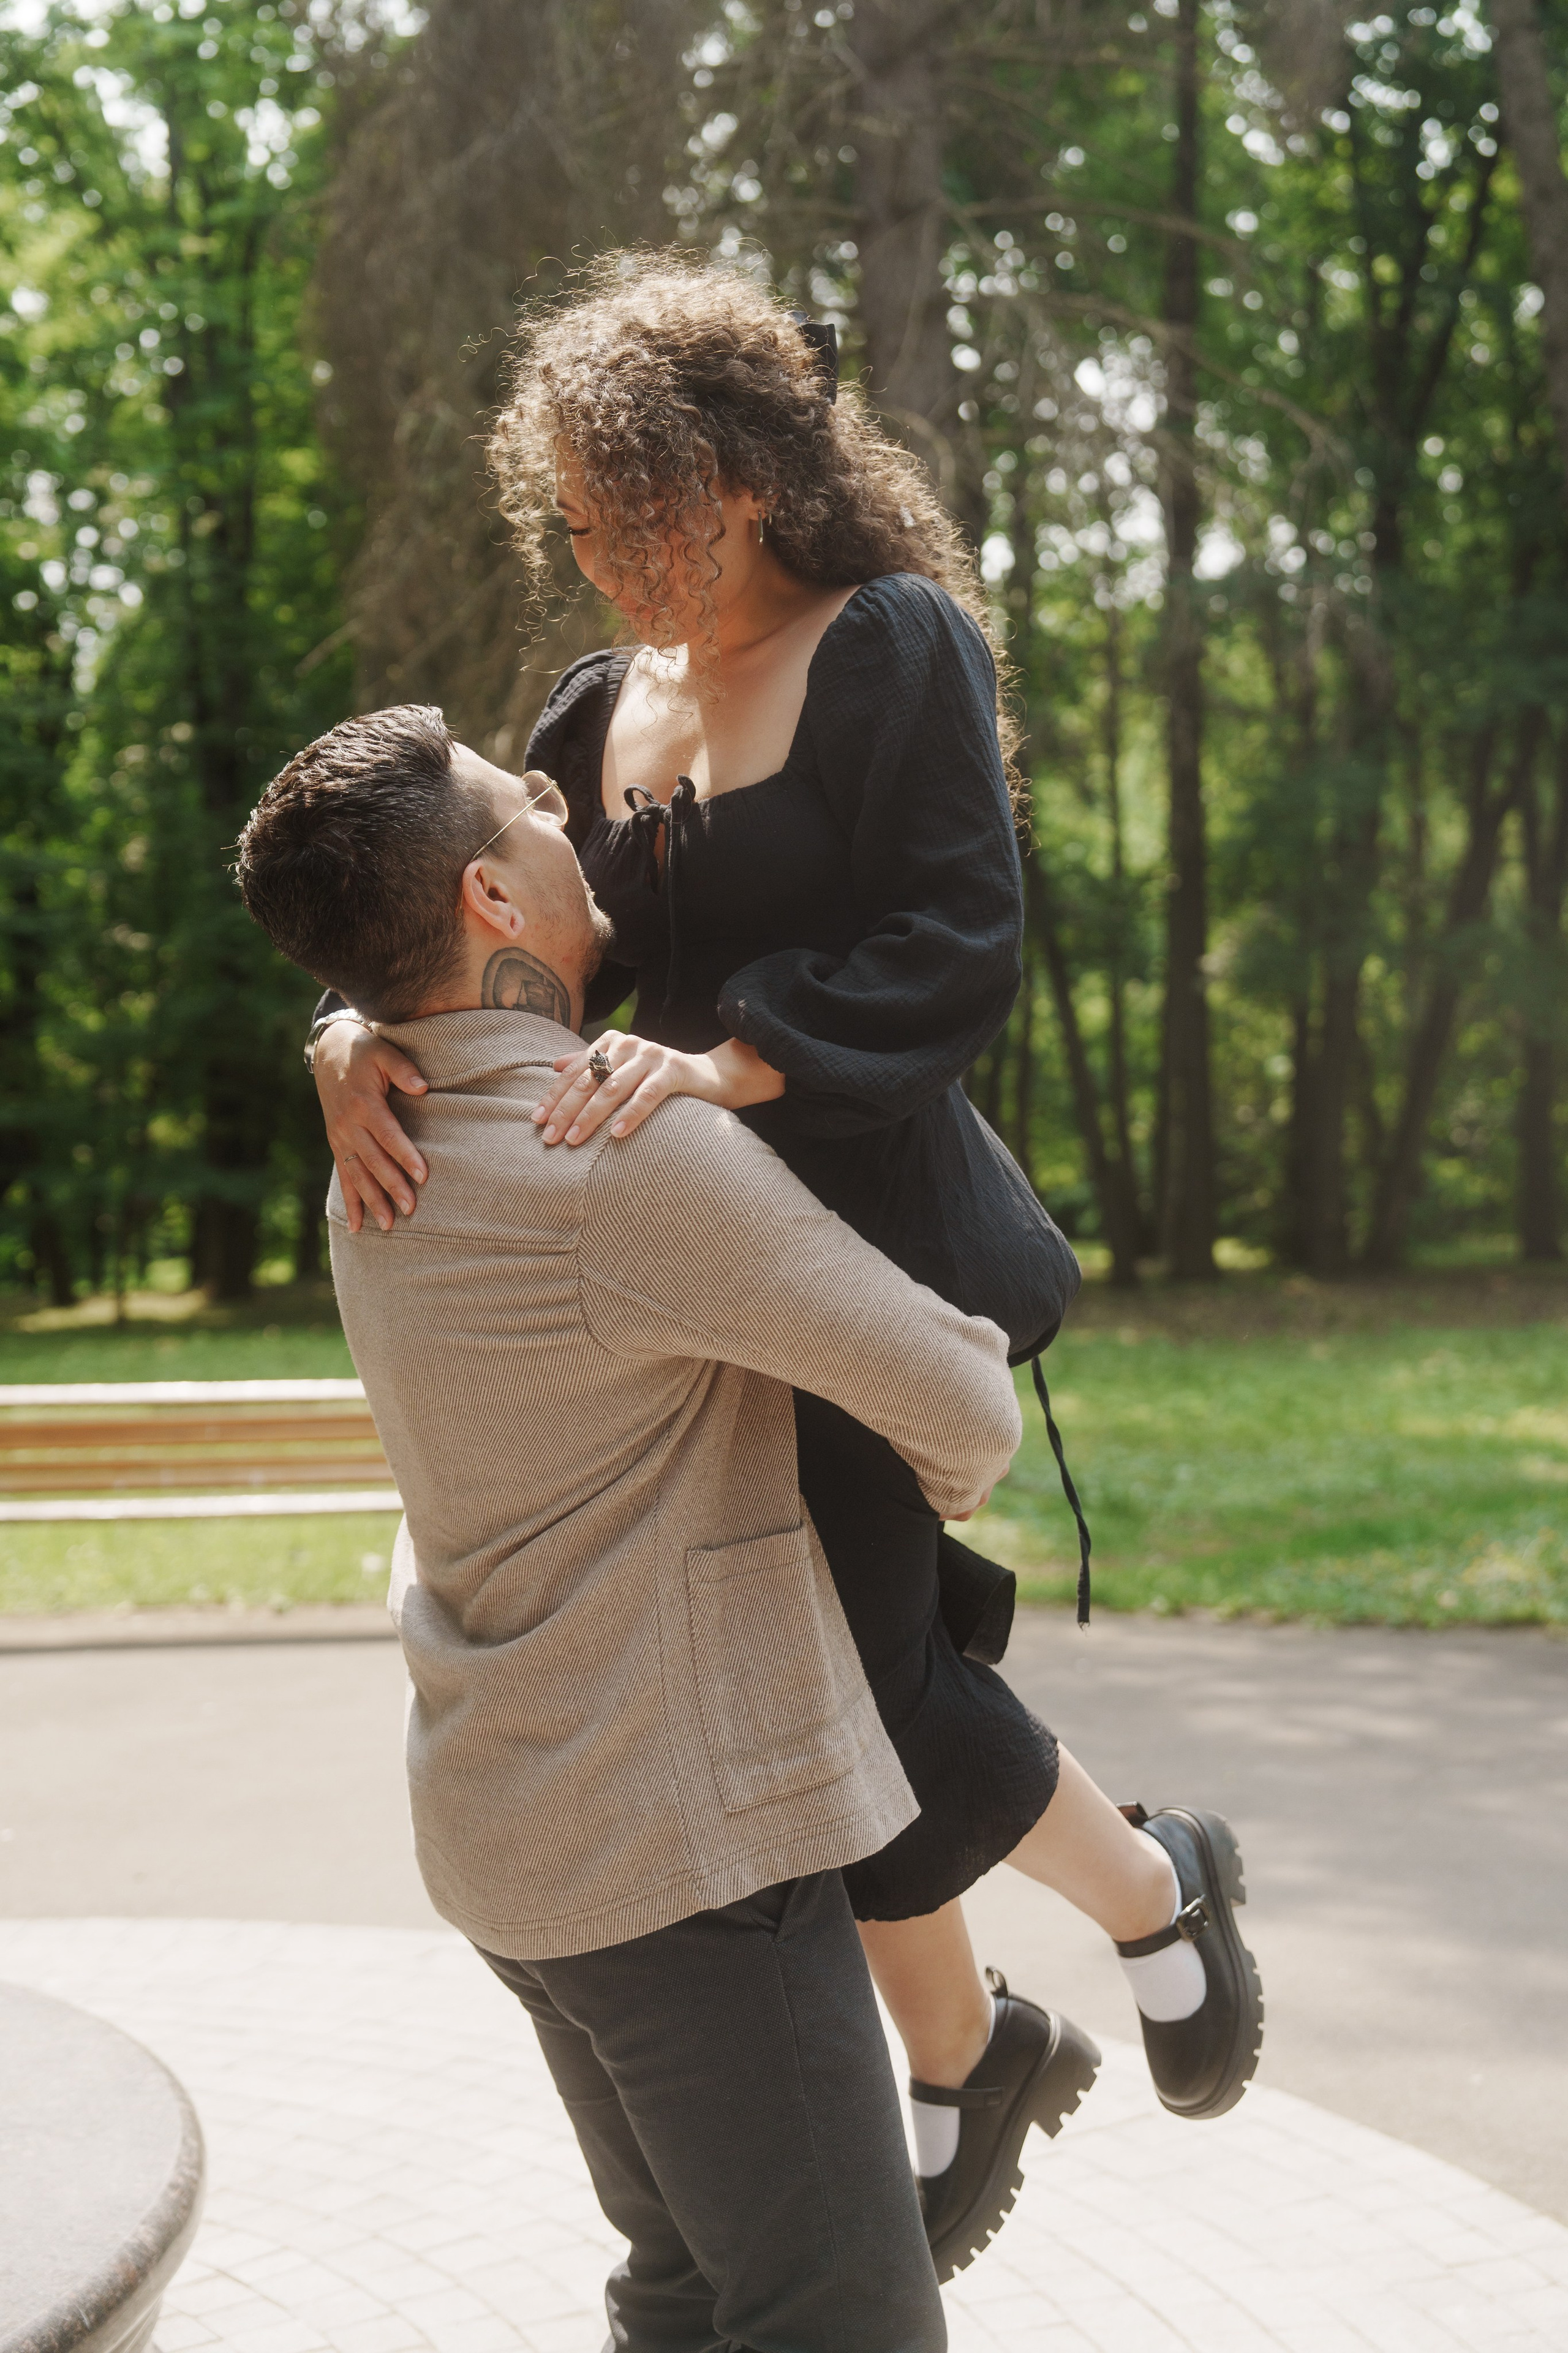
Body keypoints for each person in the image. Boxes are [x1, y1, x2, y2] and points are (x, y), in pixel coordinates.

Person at [309, 259, 1263, 2281]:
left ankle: (1126, 1924)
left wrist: (733, 1055)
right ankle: (992, 2035)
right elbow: (444, 901)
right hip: (696, 1270)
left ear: (743, 476)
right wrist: (348, 1047)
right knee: (823, 1697)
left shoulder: (890, 643)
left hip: (875, 1243)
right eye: (570, 513)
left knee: (875, 1691)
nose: (600, 549)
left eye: (631, 505)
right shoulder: (592, 705)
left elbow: (959, 935)